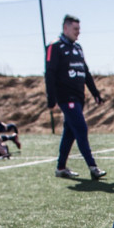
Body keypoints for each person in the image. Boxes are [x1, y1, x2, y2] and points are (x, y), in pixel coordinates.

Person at [45, 14, 105, 180]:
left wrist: (96, 94)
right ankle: (93, 167)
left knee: (70, 132)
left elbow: (86, 72)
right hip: (66, 97)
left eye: (79, 29)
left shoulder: (78, 48)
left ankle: (61, 168)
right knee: (81, 128)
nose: (78, 32)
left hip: (79, 97)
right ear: (65, 28)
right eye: (75, 29)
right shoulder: (55, 46)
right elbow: (49, 73)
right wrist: (51, 99)